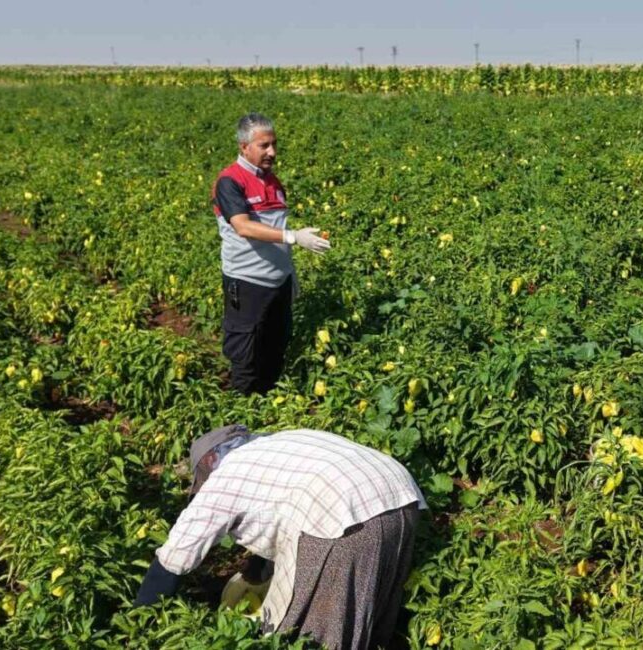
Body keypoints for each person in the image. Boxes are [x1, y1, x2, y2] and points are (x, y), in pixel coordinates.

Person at [133, 425, 426, 650]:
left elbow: (176, 554)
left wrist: (141, 619)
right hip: (402, 496)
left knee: (314, 632)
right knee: (371, 607)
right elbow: (275, 508)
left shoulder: (227, 474)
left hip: (341, 516)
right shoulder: (282, 443)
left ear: (211, 461)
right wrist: (258, 570)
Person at [212, 113, 331, 395]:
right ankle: (241, 420)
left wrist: (290, 272)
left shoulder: (274, 182)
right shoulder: (230, 181)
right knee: (246, 356)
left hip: (278, 283)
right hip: (248, 283)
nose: (272, 152)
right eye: (264, 145)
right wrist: (293, 237)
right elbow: (243, 227)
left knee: (275, 349)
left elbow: (277, 227)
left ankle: (267, 413)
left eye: (274, 144)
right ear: (244, 146)